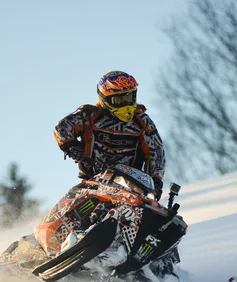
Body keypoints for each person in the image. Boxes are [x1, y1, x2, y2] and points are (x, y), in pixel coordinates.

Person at [53, 71, 166, 201]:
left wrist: (156, 181)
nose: (126, 104)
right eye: (120, 100)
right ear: (105, 99)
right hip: (91, 181)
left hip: (130, 185)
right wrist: (72, 147)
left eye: (129, 98)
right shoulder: (90, 115)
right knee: (74, 202)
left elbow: (156, 151)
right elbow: (62, 127)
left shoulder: (142, 121)